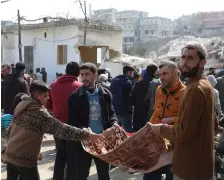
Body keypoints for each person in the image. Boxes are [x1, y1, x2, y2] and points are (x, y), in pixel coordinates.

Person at [4, 80, 104, 180]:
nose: (48, 98)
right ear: (37, 96)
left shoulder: (21, 106)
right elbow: (63, 129)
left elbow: (10, 131)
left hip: (10, 156)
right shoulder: (41, 115)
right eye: (45, 96)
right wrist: (87, 135)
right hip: (25, 161)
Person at [150, 42, 218, 180]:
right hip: (198, 165)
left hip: (190, 168)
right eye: (183, 57)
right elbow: (212, 124)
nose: (185, 62)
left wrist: (160, 129)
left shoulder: (195, 89)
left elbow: (184, 132)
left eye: (191, 58)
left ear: (202, 62)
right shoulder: (203, 85)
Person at [66, 63, 118, 180]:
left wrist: (114, 123)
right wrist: (85, 131)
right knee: (82, 174)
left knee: (104, 174)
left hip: (102, 141)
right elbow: (72, 121)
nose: (84, 78)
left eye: (87, 74)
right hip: (84, 143)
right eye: (82, 74)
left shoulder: (105, 94)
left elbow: (111, 112)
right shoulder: (74, 97)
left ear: (95, 75)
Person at [143, 60, 186, 180]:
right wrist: (148, 128)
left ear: (176, 73)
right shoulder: (158, 90)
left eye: (165, 74)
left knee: (170, 176)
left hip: (175, 145)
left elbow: (189, 120)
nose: (161, 77)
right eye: (160, 74)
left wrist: (173, 119)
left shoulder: (186, 92)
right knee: (150, 176)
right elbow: (156, 112)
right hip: (156, 143)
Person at [45, 62, 82, 180]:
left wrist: (56, 111)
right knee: (72, 156)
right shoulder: (80, 86)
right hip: (73, 125)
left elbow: (48, 104)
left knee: (60, 155)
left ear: (66, 71)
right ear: (78, 73)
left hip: (57, 124)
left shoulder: (53, 85)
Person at [132, 64, 158, 132]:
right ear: (154, 72)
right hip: (149, 112)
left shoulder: (138, 83)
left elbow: (133, 97)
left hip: (138, 113)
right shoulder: (156, 83)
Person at [110, 65, 135, 133]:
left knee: (116, 132)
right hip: (125, 111)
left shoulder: (113, 80)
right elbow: (129, 98)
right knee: (128, 131)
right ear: (129, 72)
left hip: (115, 110)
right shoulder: (128, 82)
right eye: (132, 73)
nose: (132, 75)